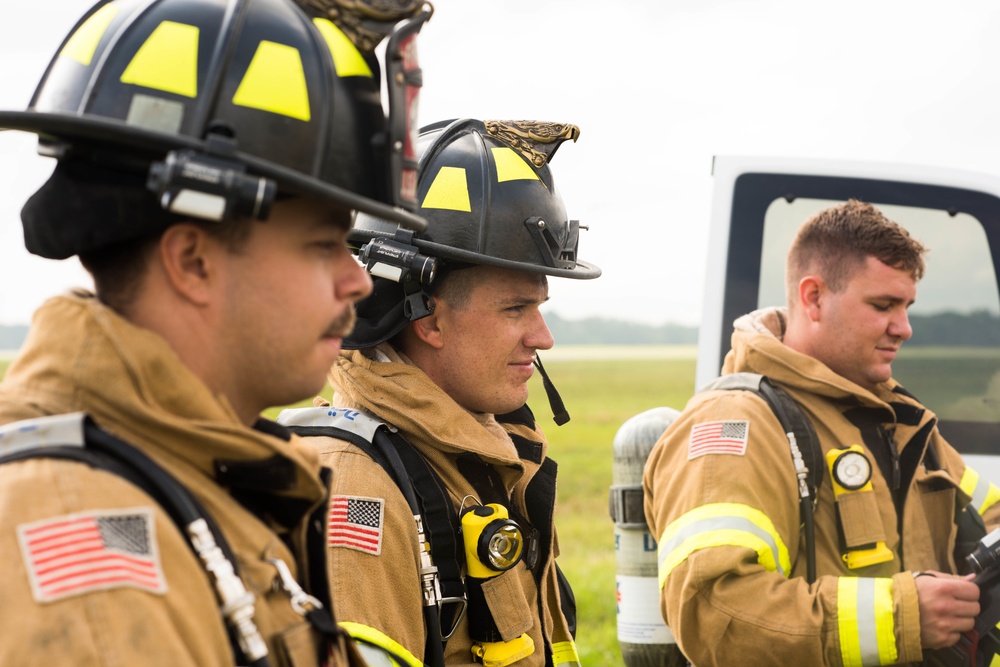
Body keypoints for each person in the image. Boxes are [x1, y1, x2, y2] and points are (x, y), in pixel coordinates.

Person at [0, 0, 432, 665]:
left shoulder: (197, 475)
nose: (360, 282)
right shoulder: (87, 540)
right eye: (323, 246)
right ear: (193, 261)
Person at [278, 118, 599, 666]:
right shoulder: (359, 492)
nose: (542, 337)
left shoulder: (484, 457)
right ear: (429, 320)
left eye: (539, 308)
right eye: (516, 308)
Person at [643, 199, 1000, 666]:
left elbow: (987, 518)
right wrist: (902, 617)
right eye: (883, 305)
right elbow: (715, 615)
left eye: (907, 306)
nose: (905, 328)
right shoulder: (734, 423)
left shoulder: (899, 420)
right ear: (813, 297)